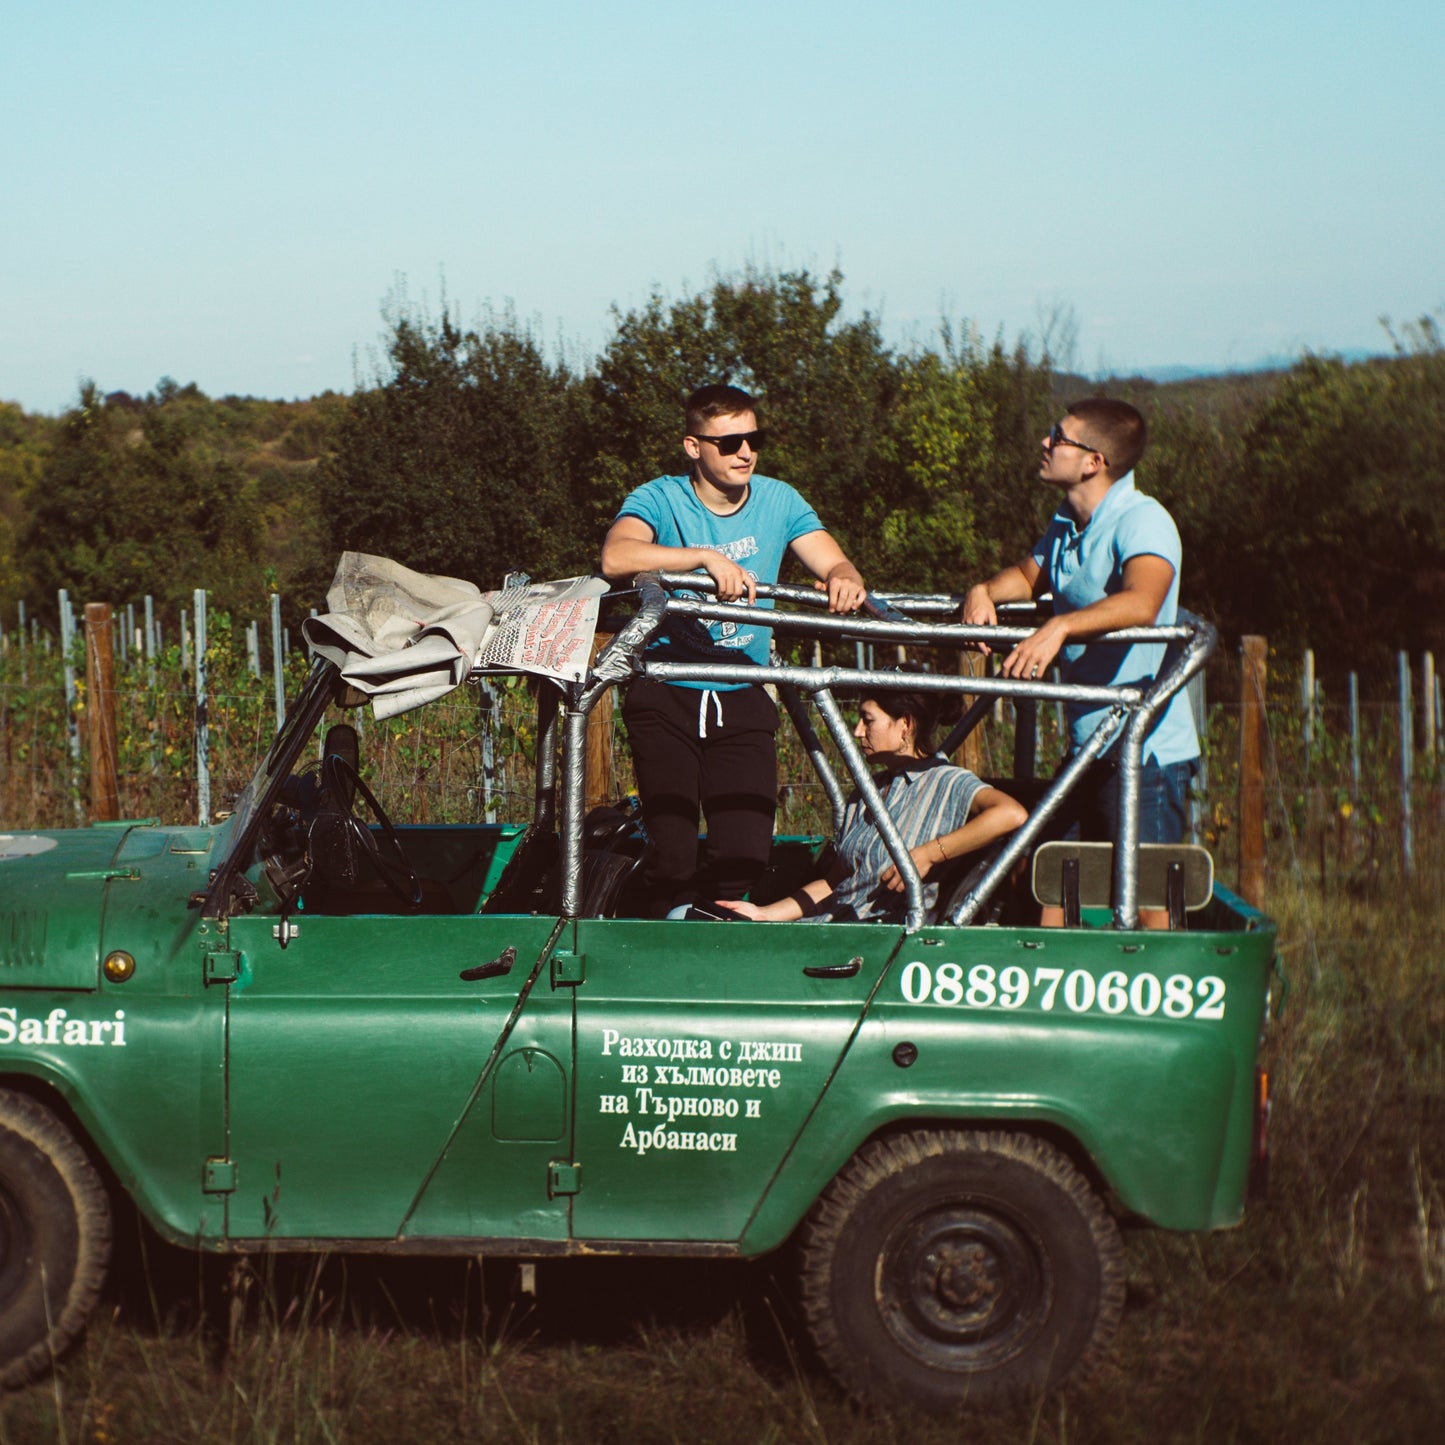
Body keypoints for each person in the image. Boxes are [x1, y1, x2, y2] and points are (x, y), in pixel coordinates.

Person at [600, 383, 867, 916]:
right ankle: (646, 929)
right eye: (729, 443)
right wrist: (701, 558)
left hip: (743, 687)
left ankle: (715, 941)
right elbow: (615, 557)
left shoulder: (779, 499)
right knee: (673, 855)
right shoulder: (659, 496)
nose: (745, 452)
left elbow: (835, 562)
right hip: (667, 691)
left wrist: (843, 577)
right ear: (693, 448)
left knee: (745, 852)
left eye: (754, 438)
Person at [962, 397, 1198, 927]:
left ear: (1094, 461)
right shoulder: (1068, 520)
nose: (1045, 443)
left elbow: (1144, 600)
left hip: (1145, 750)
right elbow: (1028, 576)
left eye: (1058, 437)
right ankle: (1046, 1000)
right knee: (1058, 881)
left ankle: (1150, 1003)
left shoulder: (1143, 521)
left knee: (1147, 897)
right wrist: (984, 592)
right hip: (1088, 741)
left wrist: (1060, 626)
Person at [713, 678, 1026, 923]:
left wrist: (929, 854)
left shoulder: (946, 781)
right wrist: (764, 913)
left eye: (868, 720)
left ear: (905, 724)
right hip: (830, 924)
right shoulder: (867, 792)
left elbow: (1011, 814)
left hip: (876, 940)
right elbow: (833, 882)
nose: (858, 731)